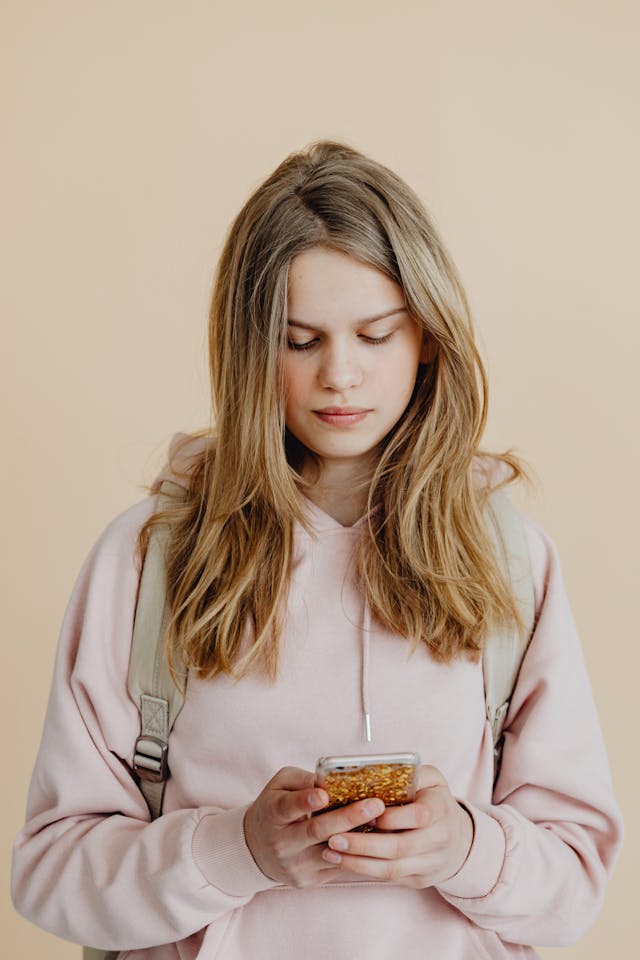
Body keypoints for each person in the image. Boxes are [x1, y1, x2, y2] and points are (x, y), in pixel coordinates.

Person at [11, 140, 622, 959]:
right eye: (300, 341)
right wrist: (239, 850)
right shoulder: (148, 557)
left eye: (375, 334)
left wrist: (465, 848)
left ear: (429, 338)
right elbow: (50, 872)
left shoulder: (509, 559)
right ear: (249, 350)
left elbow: (575, 884)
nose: (340, 375)